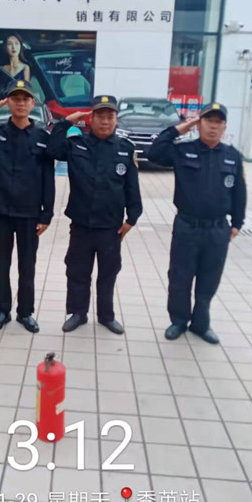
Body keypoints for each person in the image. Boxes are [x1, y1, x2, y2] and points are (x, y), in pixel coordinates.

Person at [148, 102, 247, 344]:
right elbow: (155, 153)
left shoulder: (232, 156)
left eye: (218, 122)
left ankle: (201, 325)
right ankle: (179, 321)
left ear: (224, 127)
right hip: (187, 226)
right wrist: (180, 128)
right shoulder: (183, 151)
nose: (213, 126)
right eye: (208, 121)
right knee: (179, 278)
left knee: (209, 279)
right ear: (199, 124)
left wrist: (237, 223)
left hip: (217, 229)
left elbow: (239, 192)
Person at [0, 79, 55, 333]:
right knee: (0, 264)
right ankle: (2, 311)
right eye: (15, 99)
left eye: (25, 99)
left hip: (29, 213)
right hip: (1, 211)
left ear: (32, 103)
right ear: (8, 103)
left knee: (27, 266)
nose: (20, 103)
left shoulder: (42, 138)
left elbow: (48, 178)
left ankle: (25, 312)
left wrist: (47, 214)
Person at [47, 95, 143, 335]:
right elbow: (52, 148)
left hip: (111, 227)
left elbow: (132, 187)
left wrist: (132, 218)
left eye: (110, 116)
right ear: (91, 118)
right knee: (77, 271)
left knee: (108, 273)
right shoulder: (76, 144)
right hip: (81, 224)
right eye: (100, 116)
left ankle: (106, 316)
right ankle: (77, 313)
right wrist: (66, 122)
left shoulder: (125, 149)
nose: (105, 121)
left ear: (116, 119)